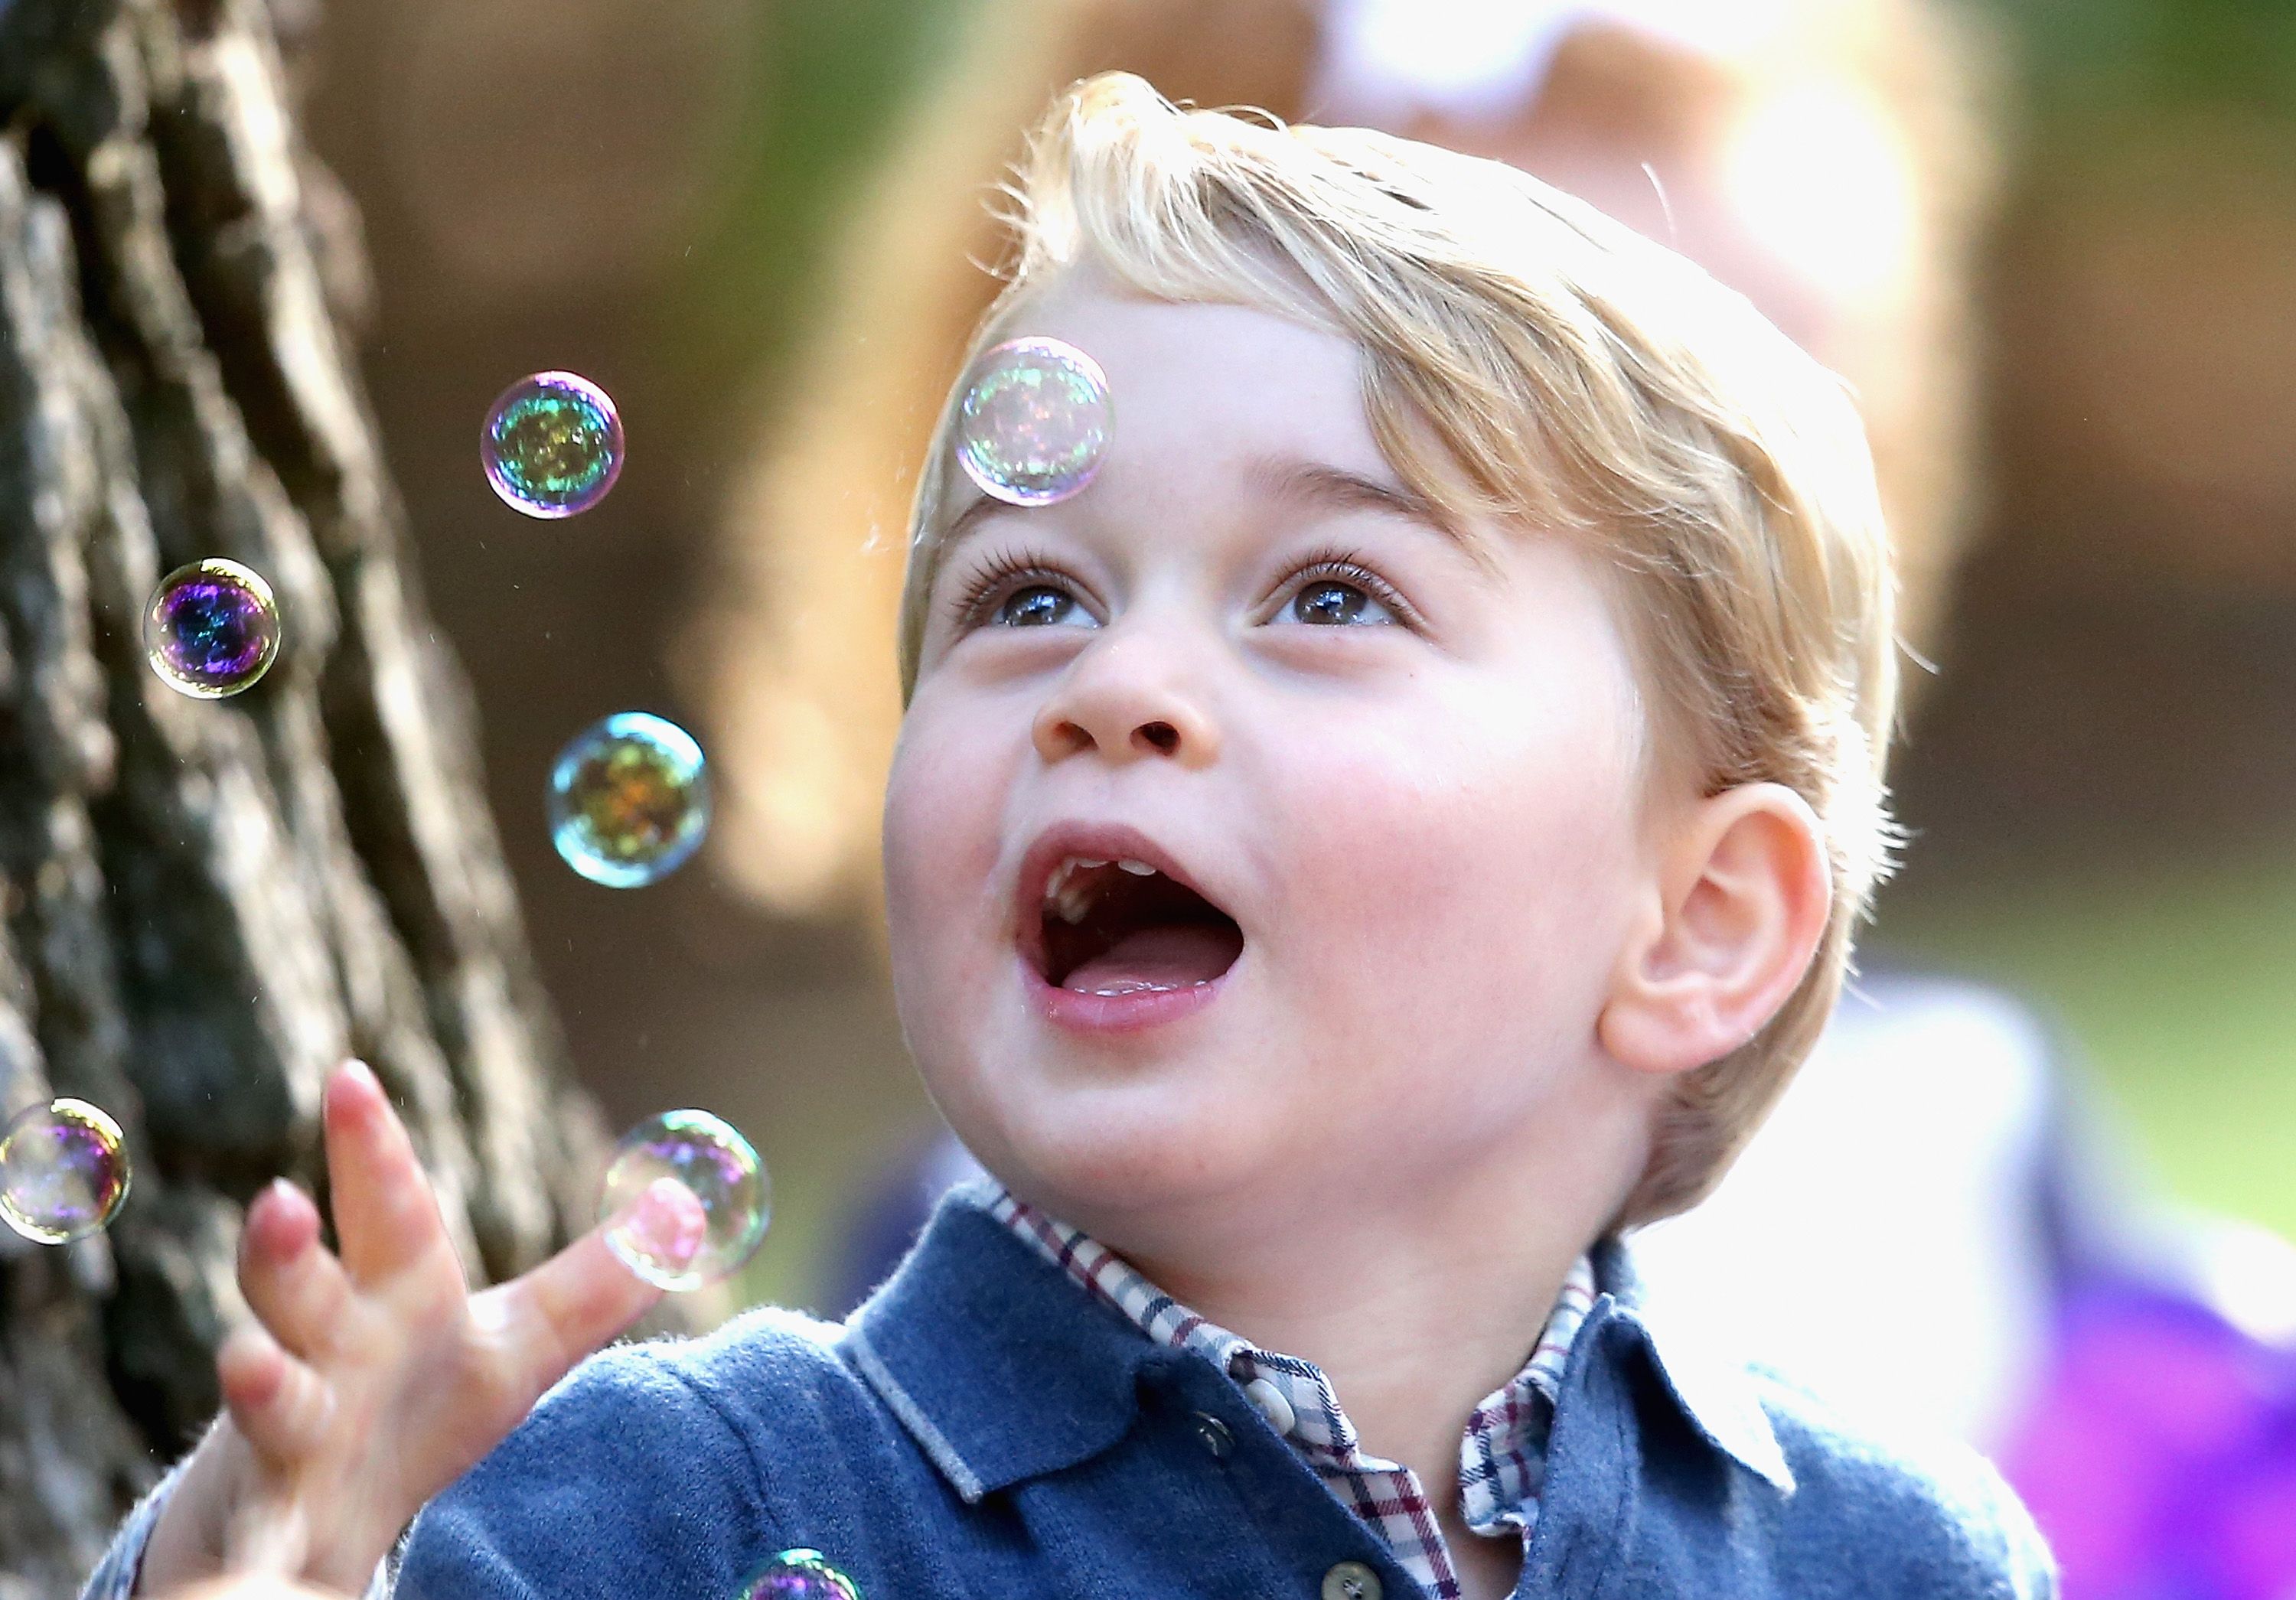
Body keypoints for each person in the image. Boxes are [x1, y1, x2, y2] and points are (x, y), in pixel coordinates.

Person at [90, 73, 2055, 1599]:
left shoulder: (1892, 1552)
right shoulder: (663, 1513)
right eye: (1028, 597)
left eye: (1331, 596)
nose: (1115, 683)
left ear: (1699, 920)